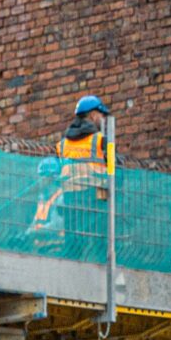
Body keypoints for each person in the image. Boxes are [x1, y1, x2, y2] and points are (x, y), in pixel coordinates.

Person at [30, 94, 113, 252]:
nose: (103, 119)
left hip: (71, 200)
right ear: (93, 114)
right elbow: (116, 174)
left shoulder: (62, 145)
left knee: (74, 247)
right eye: (102, 115)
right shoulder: (105, 141)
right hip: (97, 199)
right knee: (101, 248)